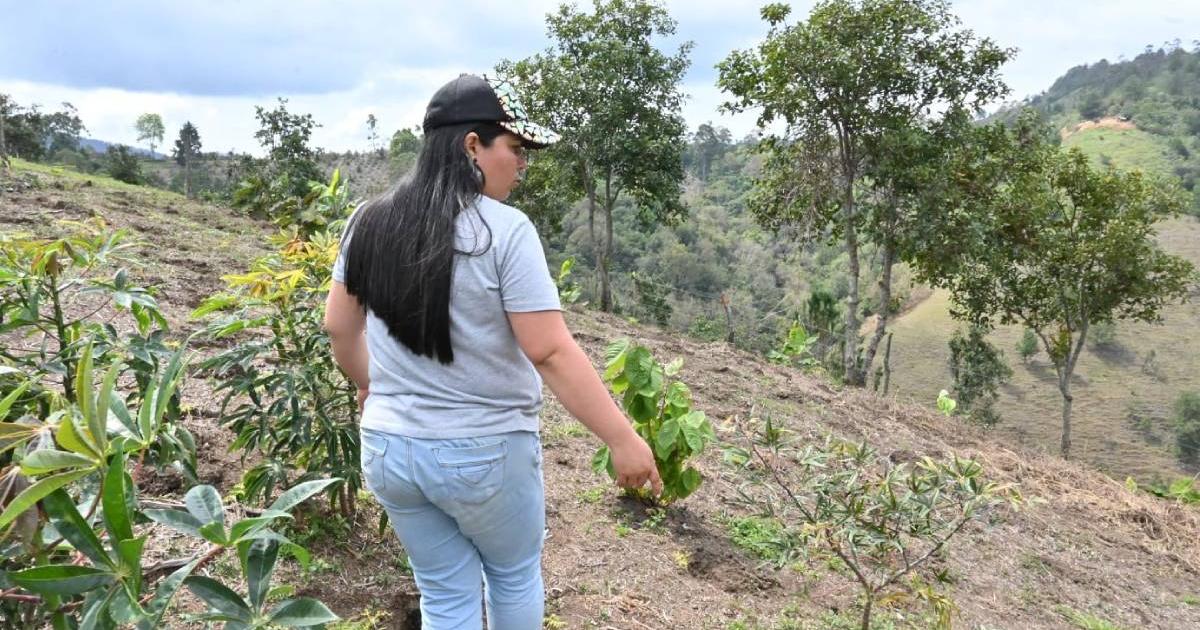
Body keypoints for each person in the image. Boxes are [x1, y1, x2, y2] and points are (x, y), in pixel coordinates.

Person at [323, 73, 662, 630]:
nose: (523, 163)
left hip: (389, 450)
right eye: (515, 147)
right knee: (512, 575)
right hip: (482, 454)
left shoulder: (369, 221)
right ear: (471, 145)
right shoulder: (505, 231)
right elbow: (549, 351)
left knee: (445, 595)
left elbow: (340, 328)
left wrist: (369, 385)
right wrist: (622, 439)